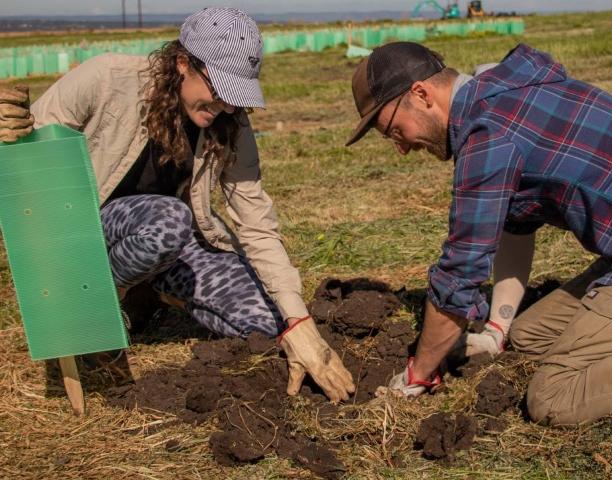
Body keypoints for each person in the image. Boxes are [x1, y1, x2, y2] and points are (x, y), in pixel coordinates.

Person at [0, 7, 354, 403]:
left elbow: (255, 222)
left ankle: (149, 292)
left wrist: (298, 322)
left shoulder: (230, 124)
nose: (225, 107)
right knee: (169, 219)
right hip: (96, 229)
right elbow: (30, 149)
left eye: (235, 97)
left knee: (264, 321)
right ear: (183, 63)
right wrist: (9, 131)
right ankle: (104, 301)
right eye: (218, 90)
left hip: (174, 241)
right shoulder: (106, 78)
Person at [346, 41, 612, 426]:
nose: (401, 148)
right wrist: (496, 330)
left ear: (421, 94)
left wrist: (418, 375)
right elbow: (515, 225)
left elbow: (460, 273)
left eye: (394, 130)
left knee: (553, 396)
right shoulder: (507, 95)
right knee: (530, 336)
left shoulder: (490, 137)